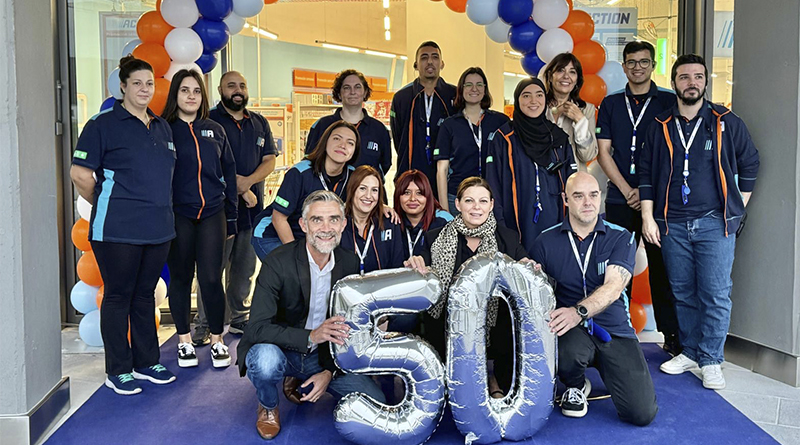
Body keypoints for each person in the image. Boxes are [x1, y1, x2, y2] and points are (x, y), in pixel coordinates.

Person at [640, 54, 760, 390]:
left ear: (705, 82)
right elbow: (647, 176)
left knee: (716, 293)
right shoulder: (660, 124)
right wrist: (648, 217)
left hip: (714, 224)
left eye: (697, 76)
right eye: (683, 77)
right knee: (682, 292)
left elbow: (750, 164)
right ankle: (690, 351)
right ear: (674, 82)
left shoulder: (726, 121)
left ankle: (711, 358)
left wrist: (736, 206)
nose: (691, 82)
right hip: (672, 224)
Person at [238, 191, 388, 440]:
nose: (326, 228)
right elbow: (256, 328)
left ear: (342, 223)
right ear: (303, 224)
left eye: (333, 219)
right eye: (317, 220)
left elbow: (347, 329)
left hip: (322, 356)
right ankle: (267, 405)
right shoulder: (278, 261)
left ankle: (304, 376)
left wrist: (327, 373)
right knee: (264, 363)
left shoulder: (348, 263)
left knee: (375, 399)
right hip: (281, 349)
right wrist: (311, 335)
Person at [70, 55, 177, 395]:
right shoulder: (102, 124)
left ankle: (147, 363)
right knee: (118, 297)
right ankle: (118, 369)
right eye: (137, 83)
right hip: (116, 230)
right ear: (123, 87)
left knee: (144, 296)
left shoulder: (161, 126)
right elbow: (80, 174)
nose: (144, 89)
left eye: (149, 83)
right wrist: (108, 201)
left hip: (158, 228)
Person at [531, 172, 657, 425]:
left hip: (614, 328)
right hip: (571, 331)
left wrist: (578, 311)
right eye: (579, 196)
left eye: (593, 195)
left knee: (641, 414)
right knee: (565, 352)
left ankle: (609, 367)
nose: (587, 202)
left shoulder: (621, 237)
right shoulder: (545, 241)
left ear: (600, 198)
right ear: (566, 200)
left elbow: (613, 286)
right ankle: (576, 384)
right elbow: (536, 294)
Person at [596, 40, 681, 355]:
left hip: (659, 203)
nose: (637, 68)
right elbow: (604, 152)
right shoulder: (611, 104)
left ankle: (672, 337)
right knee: (616, 270)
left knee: (663, 269)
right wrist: (628, 189)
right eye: (631, 62)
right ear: (624, 66)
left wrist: (646, 194)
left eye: (644, 62)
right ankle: (617, 338)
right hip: (620, 198)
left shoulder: (669, 103)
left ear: (653, 64)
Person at [423, 177, 529, 398]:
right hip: (449, 321)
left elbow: (525, 267)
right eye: (469, 201)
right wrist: (417, 265)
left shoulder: (507, 237)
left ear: (491, 204)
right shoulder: (434, 238)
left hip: (494, 321)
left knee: (509, 322)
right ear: (458, 204)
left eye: (482, 201)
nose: (476, 207)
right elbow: (423, 274)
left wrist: (528, 267)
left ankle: (496, 379)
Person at [193, 71, 278, 343]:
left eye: (242, 85)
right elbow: (206, 166)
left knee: (244, 270)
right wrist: (238, 188)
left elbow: (269, 161)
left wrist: (247, 184)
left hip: (252, 212)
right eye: (231, 85)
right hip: (216, 213)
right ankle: (204, 324)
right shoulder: (208, 122)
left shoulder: (259, 123)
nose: (238, 90)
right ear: (220, 90)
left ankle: (240, 318)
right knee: (211, 271)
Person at [161, 69, 237, 368]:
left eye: (196, 91)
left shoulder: (215, 130)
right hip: (178, 214)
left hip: (212, 213)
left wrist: (231, 217)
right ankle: (183, 340)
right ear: (175, 95)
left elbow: (228, 173)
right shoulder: (163, 129)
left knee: (210, 278)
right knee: (180, 278)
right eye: (184, 90)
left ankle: (217, 340)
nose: (191, 96)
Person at [486, 77, 577, 256]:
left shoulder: (558, 138)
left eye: (539, 95)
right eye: (526, 96)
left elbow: (572, 181)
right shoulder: (504, 138)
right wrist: (501, 227)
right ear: (517, 100)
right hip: (517, 223)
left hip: (555, 219)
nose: (533, 101)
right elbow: (493, 185)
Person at [252, 121, 359, 261]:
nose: (343, 145)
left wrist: (383, 208)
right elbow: (278, 218)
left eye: (350, 143)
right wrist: (299, 257)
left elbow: (367, 199)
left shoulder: (353, 176)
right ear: (325, 141)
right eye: (337, 138)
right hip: (272, 235)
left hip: (308, 238)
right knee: (295, 275)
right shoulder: (300, 172)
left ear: (355, 151)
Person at [435, 67, 509, 214]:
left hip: (491, 198)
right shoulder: (450, 125)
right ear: (461, 89)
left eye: (479, 84)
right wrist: (444, 210)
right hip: (457, 198)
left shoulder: (500, 121)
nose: (474, 89)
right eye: (468, 84)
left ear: (485, 89)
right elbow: (441, 170)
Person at [391, 41, 456, 192]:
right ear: (415, 64)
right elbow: (398, 138)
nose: (430, 61)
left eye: (435, 57)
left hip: (445, 178)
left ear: (442, 63)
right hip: (410, 177)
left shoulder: (454, 95)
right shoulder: (402, 97)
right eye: (424, 57)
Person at [303, 69, 392, 178]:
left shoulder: (379, 129)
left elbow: (385, 165)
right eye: (346, 87)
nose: (352, 92)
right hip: (331, 193)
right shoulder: (322, 126)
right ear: (339, 94)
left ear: (365, 93)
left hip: (367, 194)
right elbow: (310, 162)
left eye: (357, 87)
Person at [340, 166, 405, 274]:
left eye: (374, 190)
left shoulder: (390, 223)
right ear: (352, 189)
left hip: (383, 289)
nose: (368, 196)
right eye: (362, 188)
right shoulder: (337, 225)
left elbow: (397, 269)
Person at [543, 53, 598, 171]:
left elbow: (587, 156)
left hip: (574, 181)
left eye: (572, 72)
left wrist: (580, 121)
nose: (566, 76)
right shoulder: (538, 107)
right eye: (560, 70)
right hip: (543, 179)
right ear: (550, 76)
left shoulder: (586, 109)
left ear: (577, 80)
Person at [393, 170, 453, 260]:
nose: (413, 198)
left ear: (428, 196)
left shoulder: (443, 222)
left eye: (419, 193)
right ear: (398, 196)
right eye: (406, 192)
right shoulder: (391, 223)